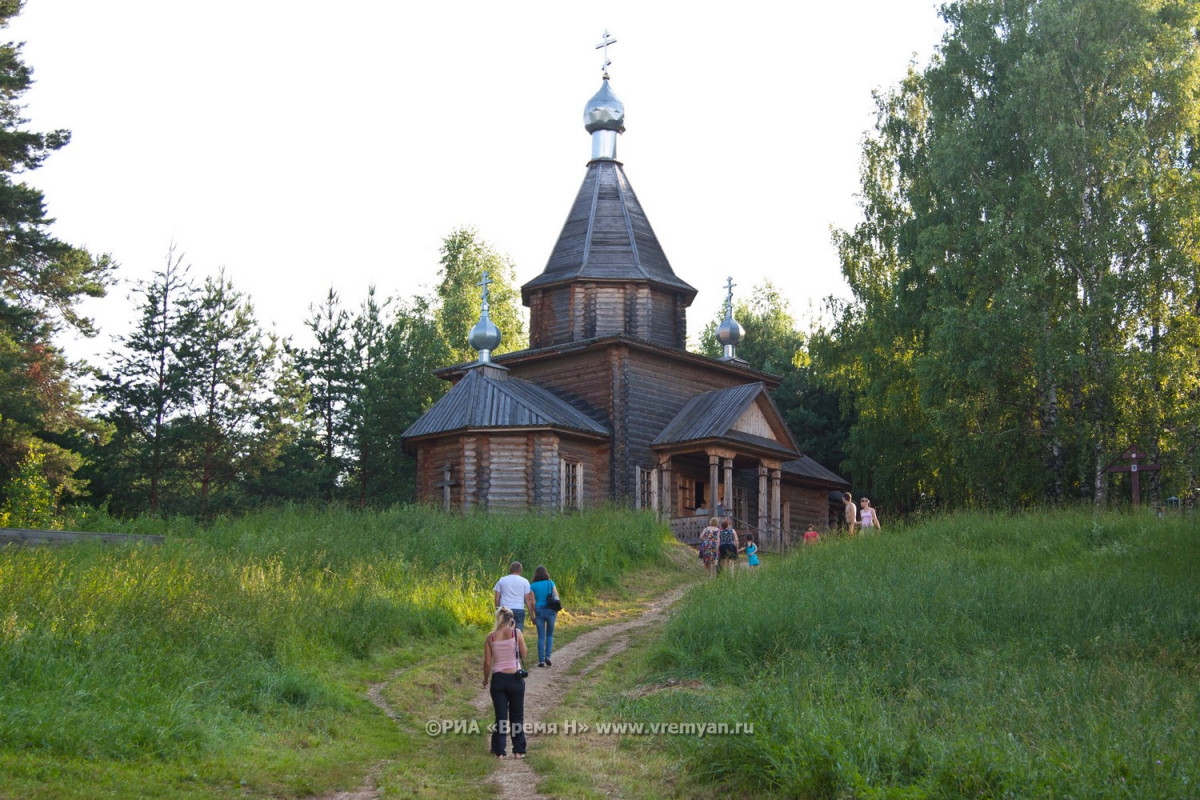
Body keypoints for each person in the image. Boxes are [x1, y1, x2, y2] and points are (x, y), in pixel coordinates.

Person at [483, 606, 528, 758]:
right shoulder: (516, 633)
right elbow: (524, 654)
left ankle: (499, 751)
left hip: (498, 679)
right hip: (515, 678)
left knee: (500, 716)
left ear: (498, 619)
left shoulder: (491, 637)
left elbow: (487, 663)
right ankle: (518, 750)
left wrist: (485, 679)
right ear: (511, 620)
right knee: (517, 716)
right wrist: (515, 634)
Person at [529, 565, 559, 667]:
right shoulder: (551, 583)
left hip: (539, 610)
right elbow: (556, 597)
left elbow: (532, 602)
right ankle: (548, 657)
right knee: (550, 635)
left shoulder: (533, 586)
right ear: (546, 573)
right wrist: (556, 611)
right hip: (551, 610)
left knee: (541, 637)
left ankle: (541, 661)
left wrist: (533, 614)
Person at [493, 561, 536, 630]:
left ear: (510, 569)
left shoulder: (502, 580)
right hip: (519, 609)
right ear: (521, 570)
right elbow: (528, 600)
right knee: (518, 633)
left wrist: (498, 611)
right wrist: (532, 616)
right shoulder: (525, 581)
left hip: (505, 609)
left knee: (504, 633)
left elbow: (497, 598)